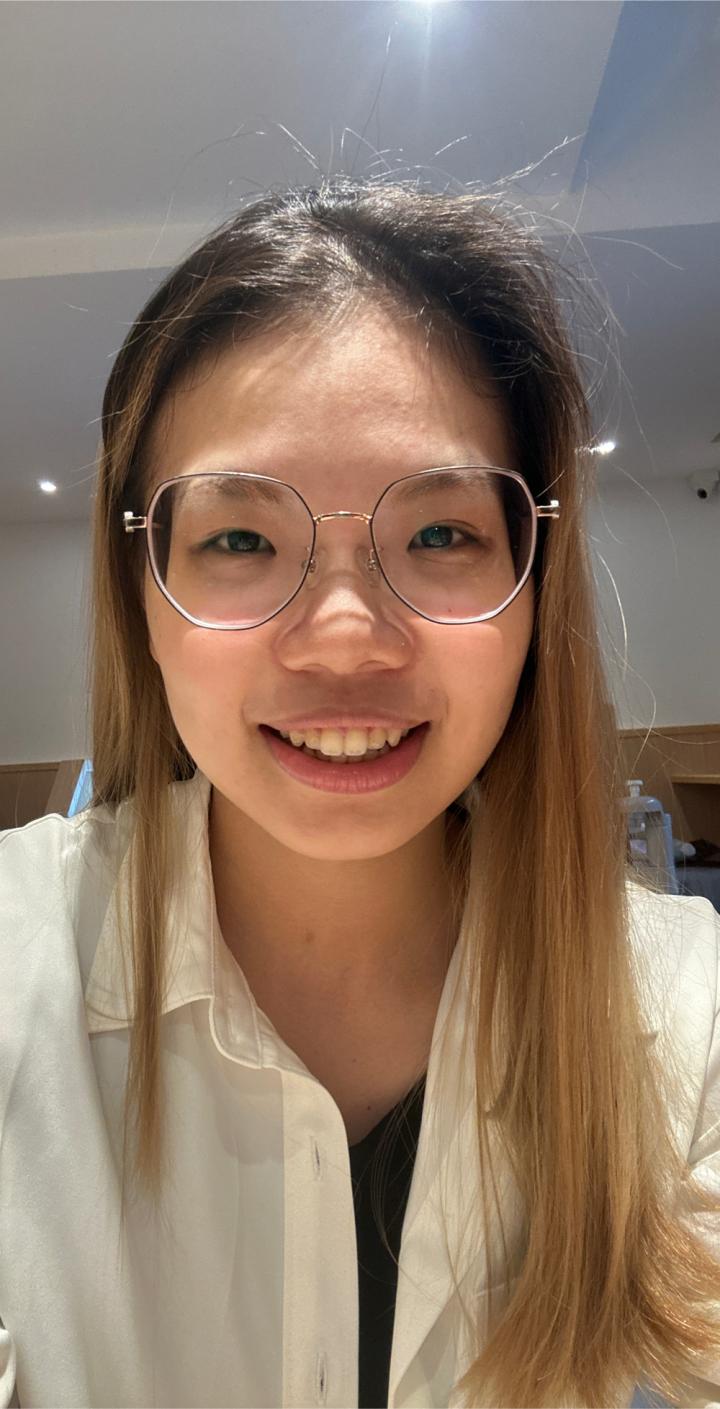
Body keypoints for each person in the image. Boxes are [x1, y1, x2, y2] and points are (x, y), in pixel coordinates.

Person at [1, 178, 719, 1409]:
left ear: (532, 591)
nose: (344, 638)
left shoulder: (684, 1011)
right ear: (144, 602)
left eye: (440, 534)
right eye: (239, 539)